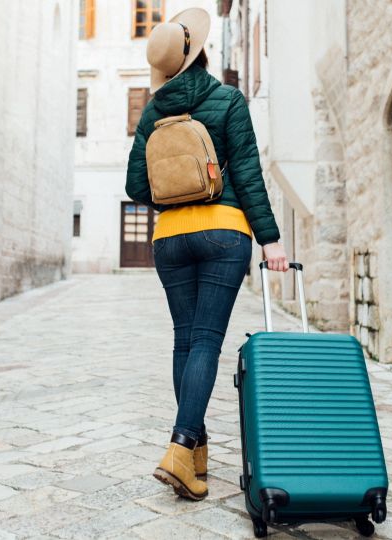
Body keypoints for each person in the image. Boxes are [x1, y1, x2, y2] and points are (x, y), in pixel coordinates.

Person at [125, 7, 288, 501]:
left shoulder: (153, 114)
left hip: (170, 239)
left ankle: (195, 456)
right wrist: (271, 239)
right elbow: (248, 175)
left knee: (184, 341)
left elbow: (136, 186)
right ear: (199, 54)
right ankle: (180, 446)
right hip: (223, 232)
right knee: (206, 343)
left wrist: (175, 191)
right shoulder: (228, 100)